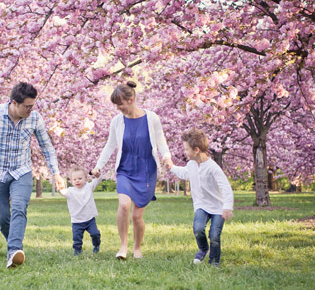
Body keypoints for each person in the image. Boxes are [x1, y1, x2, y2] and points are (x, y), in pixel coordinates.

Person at [0, 82, 65, 269]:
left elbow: (47, 147)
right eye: (27, 106)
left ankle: (14, 250)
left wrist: (56, 173)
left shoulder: (34, 118)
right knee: (1, 217)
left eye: (32, 105)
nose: (31, 109)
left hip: (22, 171)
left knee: (19, 208)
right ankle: (14, 245)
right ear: (14, 103)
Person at [90, 81, 172, 259]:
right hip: (125, 169)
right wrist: (98, 166)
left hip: (146, 170)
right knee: (124, 205)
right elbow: (110, 145)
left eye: (120, 104)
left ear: (131, 99)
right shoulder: (117, 121)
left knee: (136, 216)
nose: (118, 108)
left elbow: (161, 141)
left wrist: (167, 156)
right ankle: (123, 247)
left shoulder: (152, 118)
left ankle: (137, 248)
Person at [168, 129, 234, 268]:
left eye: (186, 149)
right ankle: (203, 249)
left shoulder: (212, 168)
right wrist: (172, 167)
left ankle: (214, 261)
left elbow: (226, 187)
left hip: (218, 207)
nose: (185, 152)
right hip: (201, 206)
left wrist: (227, 207)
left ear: (196, 150)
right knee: (198, 229)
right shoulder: (191, 165)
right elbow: (185, 173)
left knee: (214, 235)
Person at [59, 166, 101, 256]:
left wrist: (97, 174)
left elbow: (98, 180)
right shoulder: (70, 191)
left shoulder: (89, 187)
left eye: (80, 178)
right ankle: (77, 251)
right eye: (74, 179)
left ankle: (96, 245)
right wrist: (60, 188)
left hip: (90, 219)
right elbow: (63, 192)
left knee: (95, 234)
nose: (77, 181)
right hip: (77, 221)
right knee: (77, 239)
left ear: (85, 179)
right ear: (71, 181)